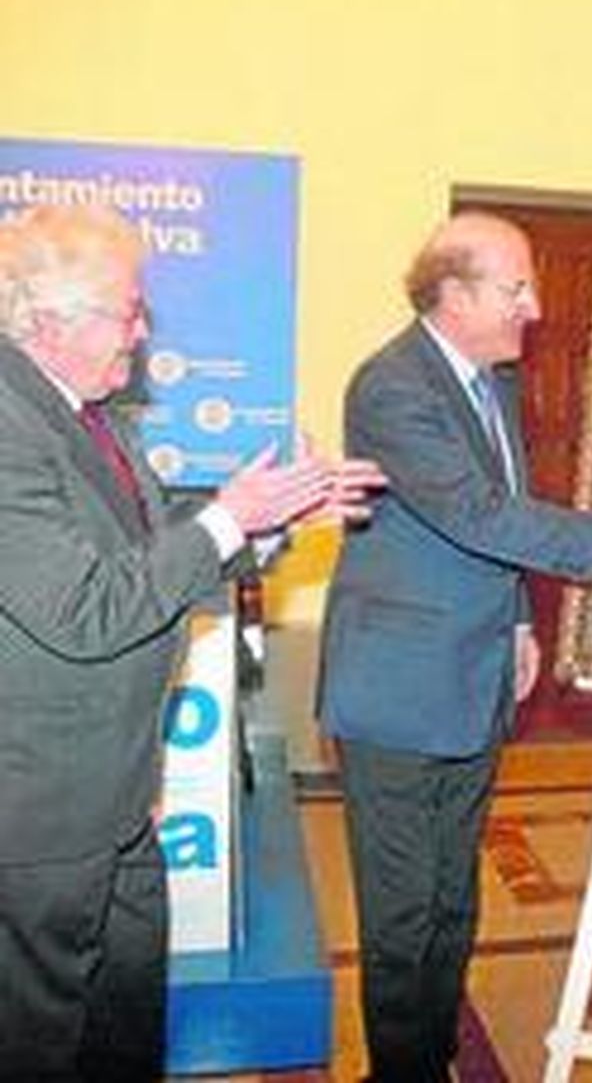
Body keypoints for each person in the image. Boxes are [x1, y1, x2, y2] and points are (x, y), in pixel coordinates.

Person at [317, 211, 592, 1082]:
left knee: (454, 896)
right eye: (517, 289)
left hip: (475, 672)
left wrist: (518, 622)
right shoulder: (393, 387)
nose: (535, 308)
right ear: (456, 294)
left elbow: (500, 520)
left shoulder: (491, 383)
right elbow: (474, 512)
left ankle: (431, 1054)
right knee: (401, 915)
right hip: (395, 688)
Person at [0, 203, 381, 1079]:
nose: (142, 331)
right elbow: (87, 605)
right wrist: (226, 519)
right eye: (127, 311)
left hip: (119, 793)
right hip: (40, 818)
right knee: (35, 1046)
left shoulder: (96, 416)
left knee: (127, 1027)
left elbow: (154, 538)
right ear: (51, 319)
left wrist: (276, 519)